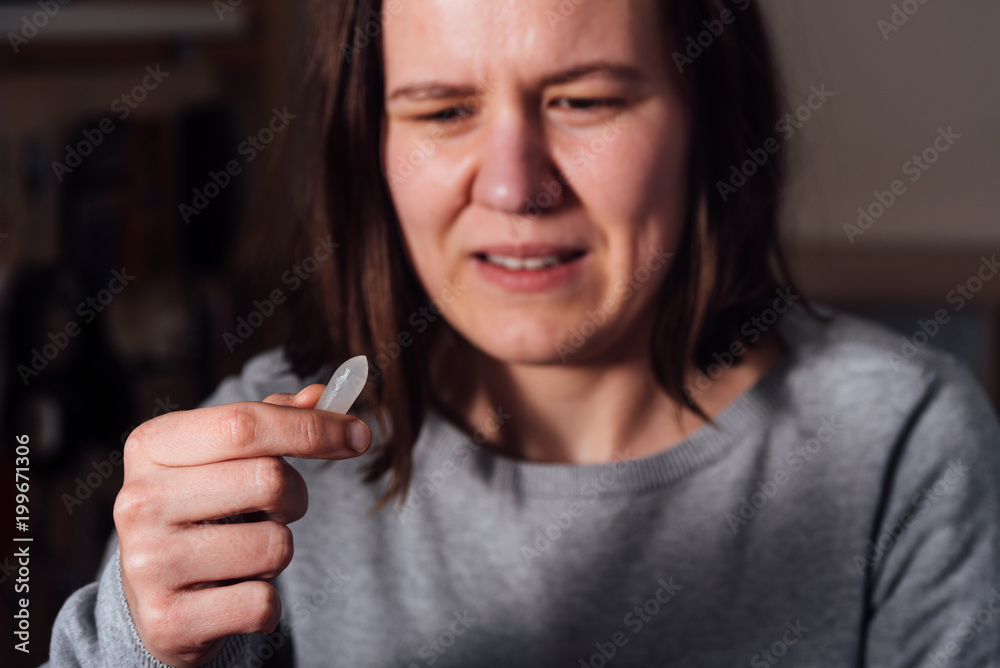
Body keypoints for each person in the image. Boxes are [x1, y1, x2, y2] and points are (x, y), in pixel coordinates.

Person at [45, 0, 1000, 666]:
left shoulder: (906, 446)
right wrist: (145, 646)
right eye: (443, 110)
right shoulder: (252, 465)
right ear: (372, 144)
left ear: (708, 116)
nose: (512, 185)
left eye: (584, 101)